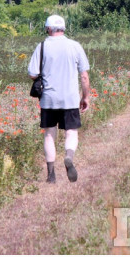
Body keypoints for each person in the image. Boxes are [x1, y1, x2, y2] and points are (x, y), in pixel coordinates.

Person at [28, 15, 90, 184]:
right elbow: (84, 76)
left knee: (49, 135)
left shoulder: (41, 47)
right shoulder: (75, 46)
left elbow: (33, 73)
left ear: (48, 28)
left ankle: (51, 175)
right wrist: (85, 97)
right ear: (64, 28)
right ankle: (68, 157)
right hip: (70, 99)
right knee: (71, 132)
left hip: (48, 99)